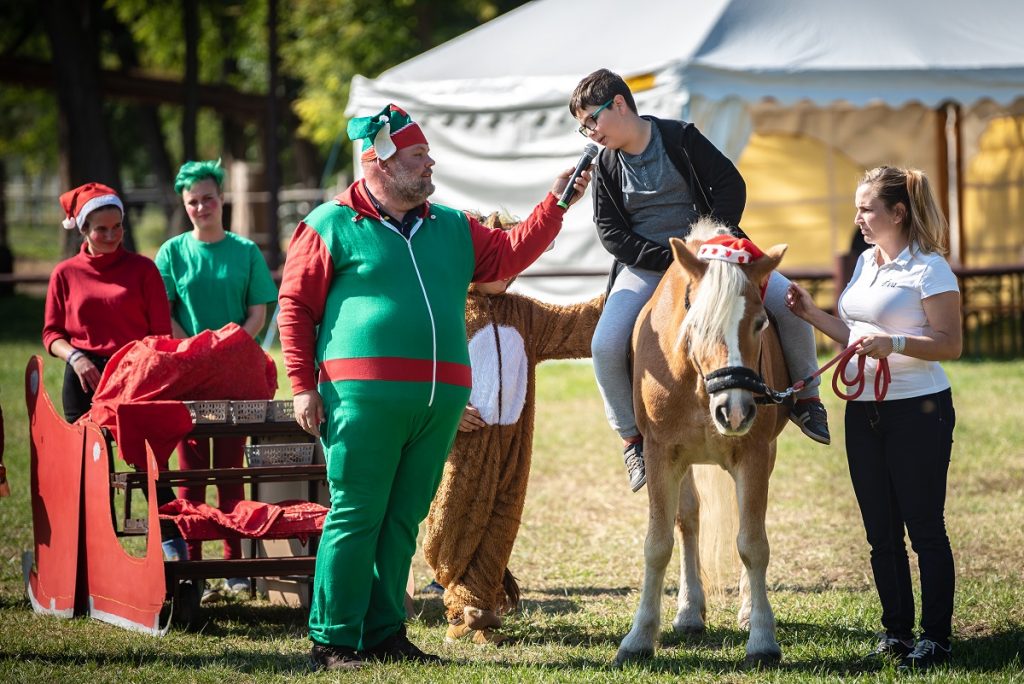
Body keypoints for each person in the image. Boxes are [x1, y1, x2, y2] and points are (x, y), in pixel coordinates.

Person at [277, 104, 590, 671]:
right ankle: (332, 640)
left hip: (438, 402)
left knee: (401, 518)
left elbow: (513, 250)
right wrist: (302, 385)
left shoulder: (451, 226)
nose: (430, 166)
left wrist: (558, 202)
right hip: (361, 399)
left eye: (428, 156)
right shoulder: (329, 224)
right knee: (356, 513)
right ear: (380, 162)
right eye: (419, 157)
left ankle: (383, 633)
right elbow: (295, 306)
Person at [569, 69, 830, 494]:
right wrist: (673, 262)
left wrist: (710, 246)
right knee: (604, 343)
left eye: (591, 120)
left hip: (717, 257)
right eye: (582, 126)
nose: (589, 132)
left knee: (790, 302)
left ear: (619, 104)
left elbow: (731, 185)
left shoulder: (681, 138)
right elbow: (611, 233)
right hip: (649, 266)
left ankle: (807, 400)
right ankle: (632, 439)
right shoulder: (604, 164)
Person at [785, 166, 961, 672]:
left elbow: (950, 343)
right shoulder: (865, 262)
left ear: (897, 213)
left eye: (867, 208)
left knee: (925, 527)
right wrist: (812, 314)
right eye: (859, 208)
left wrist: (897, 344)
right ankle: (897, 633)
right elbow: (856, 331)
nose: (859, 218)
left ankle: (937, 638)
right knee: (880, 531)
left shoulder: (930, 268)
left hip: (918, 409)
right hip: (863, 410)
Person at [422, 212, 603, 646]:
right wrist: (446, 408)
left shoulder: (525, 314)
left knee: (502, 519)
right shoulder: (447, 310)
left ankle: (476, 611)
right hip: (462, 443)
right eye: (498, 260)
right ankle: (458, 595)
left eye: (515, 262)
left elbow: (578, 325)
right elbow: (420, 366)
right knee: (453, 518)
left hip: (513, 444)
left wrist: (624, 287)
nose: (510, 272)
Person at [155, 160, 279, 598]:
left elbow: (259, 311)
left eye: (208, 198)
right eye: (193, 201)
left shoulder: (245, 251)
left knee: (230, 471)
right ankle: (193, 566)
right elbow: (163, 311)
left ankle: (235, 567)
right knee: (192, 475)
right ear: (184, 205)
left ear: (221, 198)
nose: (202, 207)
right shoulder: (171, 253)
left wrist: (229, 347)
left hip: (235, 373)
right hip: (188, 374)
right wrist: (195, 349)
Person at [41, 183, 182, 556]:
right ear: (83, 230)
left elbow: (160, 335)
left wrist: (137, 370)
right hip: (83, 374)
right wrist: (76, 356)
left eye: (116, 226)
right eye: (101, 229)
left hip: (135, 373)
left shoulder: (143, 270)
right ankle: (90, 551)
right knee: (89, 466)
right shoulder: (65, 273)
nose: (111, 235)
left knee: (151, 465)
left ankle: (172, 546)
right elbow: (52, 333)